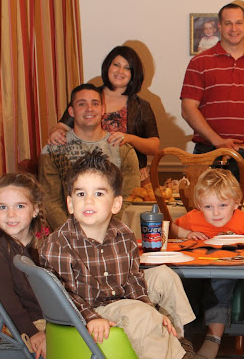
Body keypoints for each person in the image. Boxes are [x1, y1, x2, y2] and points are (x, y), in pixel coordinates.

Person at [40, 150, 196, 359]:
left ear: (116, 204)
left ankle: (178, 342)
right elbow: (63, 295)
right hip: (92, 307)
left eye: (98, 194)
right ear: (70, 203)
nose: (88, 201)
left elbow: (133, 279)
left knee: (164, 275)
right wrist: (91, 317)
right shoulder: (59, 243)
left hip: (121, 297)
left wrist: (149, 308)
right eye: (81, 194)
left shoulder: (124, 234)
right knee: (138, 313)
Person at [172, 168, 244, 359]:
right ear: (199, 205)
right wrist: (186, 233)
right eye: (208, 207)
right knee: (183, 283)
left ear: (236, 203)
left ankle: (213, 338)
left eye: (222, 205)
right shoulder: (193, 218)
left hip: (229, 273)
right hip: (198, 271)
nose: (216, 213)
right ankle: (184, 340)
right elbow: (170, 227)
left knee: (220, 284)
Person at [48, 46, 159, 182]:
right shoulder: (88, 96)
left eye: (127, 68)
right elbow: (61, 126)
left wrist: (129, 138)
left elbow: (154, 147)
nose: (120, 71)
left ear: (134, 74)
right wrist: (56, 132)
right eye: (116, 65)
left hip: (132, 177)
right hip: (86, 176)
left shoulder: (142, 106)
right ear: (108, 67)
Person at [180, 3, 244, 173]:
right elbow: (187, 109)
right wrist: (218, 141)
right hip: (208, 152)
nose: (234, 29)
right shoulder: (199, 62)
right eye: (228, 23)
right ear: (220, 26)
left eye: (238, 23)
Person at [39, 83, 140, 229]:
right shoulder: (53, 150)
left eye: (95, 103)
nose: (89, 109)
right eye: (82, 104)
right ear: (71, 111)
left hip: (113, 232)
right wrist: (73, 233)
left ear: (103, 109)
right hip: (68, 234)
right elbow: (50, 201)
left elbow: (129, 197)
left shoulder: (123, 150)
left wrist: (107, 230)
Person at [0, 173, 50, 359]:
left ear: (35, 209)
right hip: (33, 323)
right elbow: (6, 296)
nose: (11, 214)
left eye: (20, 206)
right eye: (3, 207)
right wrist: (33, 332)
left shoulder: (45, 238)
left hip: (56, 317)